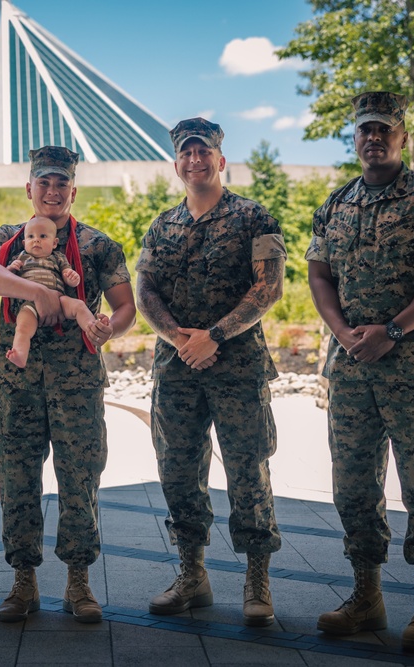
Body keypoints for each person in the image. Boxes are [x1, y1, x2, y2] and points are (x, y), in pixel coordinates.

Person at [306, 92, 414, 652]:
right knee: (352, 485)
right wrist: (343, 331)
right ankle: (366, 596)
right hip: (351, 368)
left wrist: (393, 331)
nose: (374, 138)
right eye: (365, 131)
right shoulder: (333, 205)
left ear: (402, 136)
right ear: (354, 140)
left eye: (385, 129)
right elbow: (319, 276)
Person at [0, 146, 136, 624]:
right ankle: (24, 582)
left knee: (80, 480)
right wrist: (40, 292)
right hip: (19, 383)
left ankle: (79, 582)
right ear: (29, 188)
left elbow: (125, 305)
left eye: (61, 184)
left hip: (77, 384)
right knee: (17, 480)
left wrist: (110, 327)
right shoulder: (5, 240)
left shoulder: (98, 245)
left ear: (73, 191)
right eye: (43, 182)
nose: (52, 191)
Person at [136, 118, 286, 627]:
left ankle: (257, 579)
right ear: (176, 163)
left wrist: (214, 336)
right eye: (186, 153)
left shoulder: (253, 217)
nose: (195, 160)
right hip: (177, 367)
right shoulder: (161, 225)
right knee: (178, 470)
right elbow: (146, 290)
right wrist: (181, 339)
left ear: (221, 160)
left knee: (248, 470)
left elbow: (268, 290)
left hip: (237, 367)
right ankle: (192, 575)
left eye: (205, 152)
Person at [5, 215, 101, 368]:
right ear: (24, 243)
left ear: (54, 243)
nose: (36, 240)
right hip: (30, 303)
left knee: (79, 306)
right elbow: (7, 280)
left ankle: (92, 328)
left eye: (43, 236)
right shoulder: (22, 258)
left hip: (58, 299)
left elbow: (67, 276)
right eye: (31, 236)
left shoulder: (58, 257)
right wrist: (11, 268)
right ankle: (20, 355)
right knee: (22, 327)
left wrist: (72, 278)